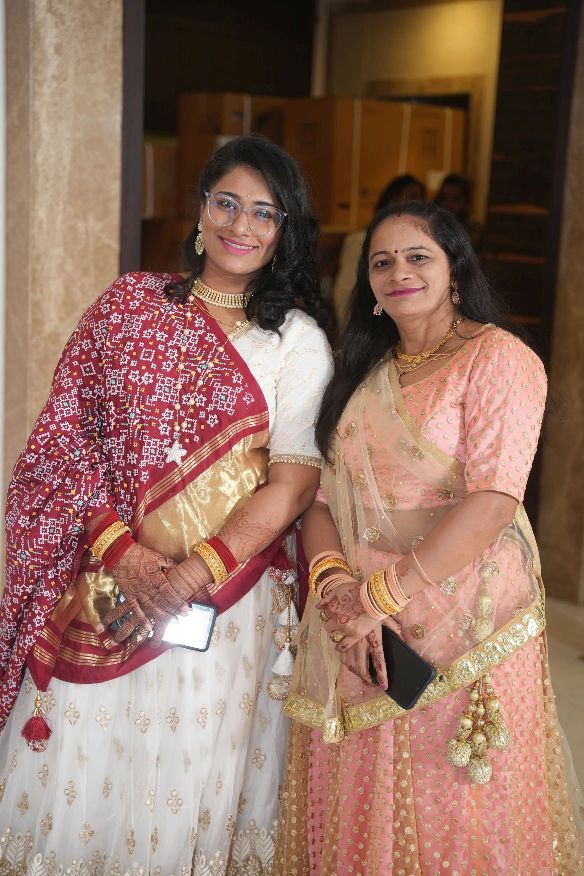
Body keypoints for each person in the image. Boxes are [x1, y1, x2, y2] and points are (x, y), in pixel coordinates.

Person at [0, 135, 333, 874]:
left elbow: (293, 484)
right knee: (89, 754)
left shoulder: (297, 341)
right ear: (201, 209)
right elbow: (65, 439)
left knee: (186, 767)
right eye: (227, 203)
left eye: (264, 213)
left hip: (223, 597)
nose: (241, 225)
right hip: (108, 578)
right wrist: (122, 552)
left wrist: (189, 575)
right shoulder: (128, 306)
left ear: (284, 231)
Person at [274, 200, 584, 874]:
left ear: (455, 270)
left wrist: (378, 598)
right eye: (381, 262)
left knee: (450, 798)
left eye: (418, 257)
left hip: (459, 610)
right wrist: (335, 587)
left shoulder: (497, 358)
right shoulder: (361, 370)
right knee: (363, 787)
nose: (399, 272)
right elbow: (320, 498)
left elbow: (494, 502)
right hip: (355, 616)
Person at [330, 174, 426, 323]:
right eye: (400, 196)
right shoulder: (359, 240)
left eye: (414, 197)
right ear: (388, 200)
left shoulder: (426, 243)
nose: (406, 202)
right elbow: (344, 291)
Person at [434, 172, 482, 250]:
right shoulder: (432, 225)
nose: (448, 204)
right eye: (444, 198)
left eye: (455, 199)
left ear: (466, 202)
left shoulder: (473, 229)